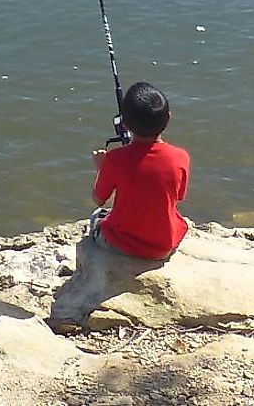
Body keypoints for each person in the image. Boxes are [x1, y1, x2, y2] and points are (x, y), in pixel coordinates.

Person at [46, 81, 190, 334]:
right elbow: (177, 196)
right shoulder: (181, 157)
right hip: (164, 245)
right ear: (169, 118)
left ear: (124, 125)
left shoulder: (115, 160)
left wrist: (103, 167)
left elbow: (98, 199)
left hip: (122, 245)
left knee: (96, 217)